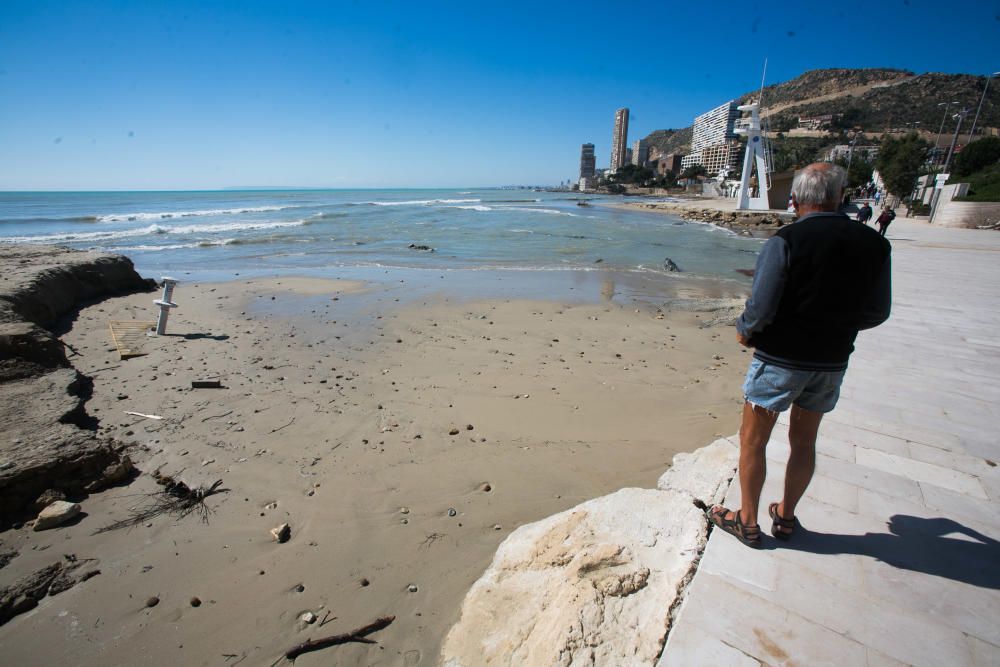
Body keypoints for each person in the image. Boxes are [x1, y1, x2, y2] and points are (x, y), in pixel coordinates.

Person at [708, 163, 891, 548]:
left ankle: (747, 521)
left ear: (795, 199)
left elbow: (762, 304)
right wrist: (839, 329)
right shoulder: (875, 243)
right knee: (804, 442)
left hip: (780, 360)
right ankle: (786, 517)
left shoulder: (786, 240)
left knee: (753, 440)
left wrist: (745, 329)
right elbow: (877, 312)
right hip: (830, 361)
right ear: (839, 197)